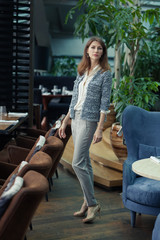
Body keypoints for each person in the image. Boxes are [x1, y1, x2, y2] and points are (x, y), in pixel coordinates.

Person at [59, 37, 112, 223]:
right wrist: (65, 121)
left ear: (102, 52)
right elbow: (75, 100)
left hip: (90, 120)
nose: (96, 50)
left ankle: (92, 204)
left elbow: (104, 104)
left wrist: (99, 128)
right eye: (93, 47)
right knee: (86, 163)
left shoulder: (105, 74)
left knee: (77, 162)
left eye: (99, 48)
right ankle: (85, 202)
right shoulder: (82, 71)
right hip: (76, 118)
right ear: (87, 51)